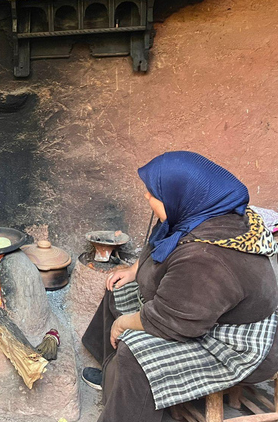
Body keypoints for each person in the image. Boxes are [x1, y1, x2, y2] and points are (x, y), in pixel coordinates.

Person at [81, 151, 278, 422]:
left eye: (153, 194)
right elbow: (162, 246)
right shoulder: (201, 212)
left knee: (135, 352)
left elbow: (175, 322)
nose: (146, 197)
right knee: (118, 290)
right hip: (199, 308)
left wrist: (124, 324)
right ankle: (112, 378)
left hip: (234, 341)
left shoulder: (207, 257)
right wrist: (135, 270)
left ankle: (128, 406)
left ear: (179, 194)